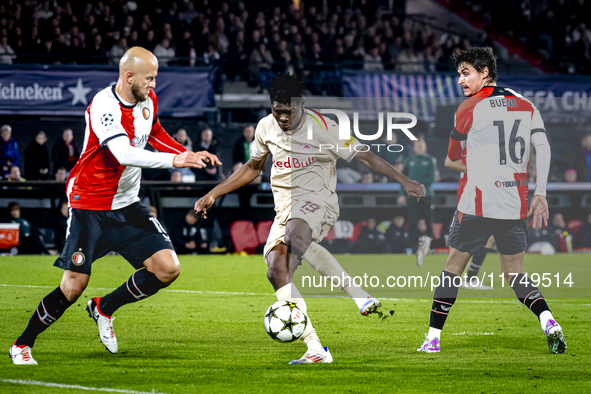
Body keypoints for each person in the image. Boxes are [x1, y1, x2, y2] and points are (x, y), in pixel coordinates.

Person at [9, 47, 221, 365]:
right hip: (90, 204)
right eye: (149, 79)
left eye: (155, 78)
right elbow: (122, 153)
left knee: (168, 268)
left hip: (126, 203)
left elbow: (156, 133)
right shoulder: (104, 105)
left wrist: (187, 152)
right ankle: (22, 344)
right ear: (128, 76)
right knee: (72, 286)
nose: (153, 85)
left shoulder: (148, 100)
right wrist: (175, 160)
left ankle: (104, 308)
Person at [195, 73, 426, 364]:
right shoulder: (266, 126)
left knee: (296, 236)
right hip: (285, 208)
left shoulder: (326, 127)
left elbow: (366, 157)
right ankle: (315, 346)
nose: (282, 117)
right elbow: (253, 168)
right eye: (276, 110)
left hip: (319, 200)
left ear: (301, 104)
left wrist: (404, 181)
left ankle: (357, 294)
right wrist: (213, 193)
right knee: (276, 270)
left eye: (288, 111)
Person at [417, 47, 566, 354]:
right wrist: (541, 193)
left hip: (477, 203)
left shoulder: (468, 108)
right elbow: (545, 148)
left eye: (465, 72)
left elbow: (452, 159)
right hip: (514, 204)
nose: (460, 79)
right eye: (459, 73)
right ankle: (548, 320)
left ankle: (432, 340)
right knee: (514, 275)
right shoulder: (526, 105)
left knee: (452, 268)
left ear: (484, 72)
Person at [398, 138, 438, 238]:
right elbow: (402, 179)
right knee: (412, 221)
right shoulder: (408, 160)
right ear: (414, 148)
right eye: (417, 146)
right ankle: (412, 246)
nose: (419, 148)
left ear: (425, 147)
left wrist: (417, 183)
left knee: (428, 221)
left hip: (427, 194)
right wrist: (401, 194)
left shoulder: (431, 160)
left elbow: (431, 178)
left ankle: (430, 245)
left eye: (421, 146)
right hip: (412, 195)